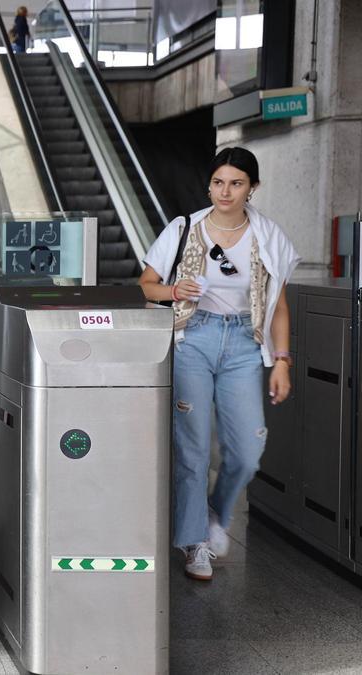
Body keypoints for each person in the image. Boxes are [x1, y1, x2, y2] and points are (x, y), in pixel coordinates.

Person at [138, 147, 299, 582]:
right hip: (193, 337)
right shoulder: (184, 228)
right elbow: (146, 286)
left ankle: (216, 513)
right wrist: (175, 292)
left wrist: (281, 361)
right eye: (218, 182)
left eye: (236, 183)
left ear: (253, 187)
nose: (225, 191)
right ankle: (195, 543)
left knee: (248, 451)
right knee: (191, 448)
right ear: (209, 184)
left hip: (246, 343)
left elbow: (279, 305)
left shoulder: (268, 236)